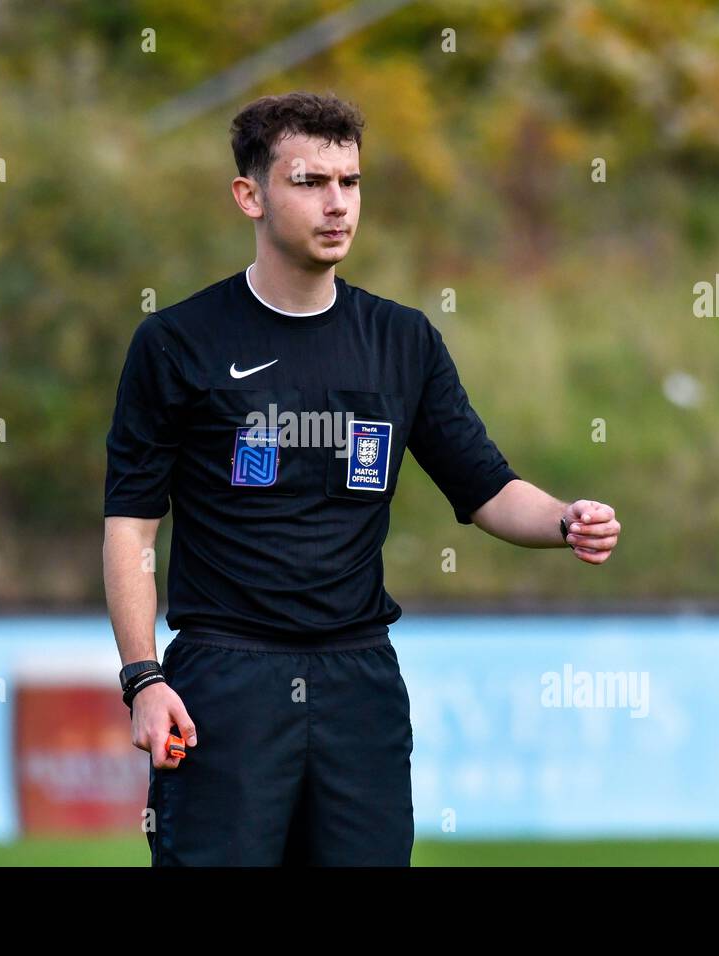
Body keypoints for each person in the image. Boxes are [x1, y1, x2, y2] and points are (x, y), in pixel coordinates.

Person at [103, 91, 621, 866]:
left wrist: (563, 519)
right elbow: (131, 526)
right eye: (310, 182)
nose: (337, 203)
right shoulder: (177, 342)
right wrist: (144, 679)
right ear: (250, 195)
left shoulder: (403, 341)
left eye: (350, 182)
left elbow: (485, 489)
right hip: (226, 681)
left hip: (359, 681)